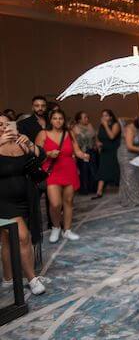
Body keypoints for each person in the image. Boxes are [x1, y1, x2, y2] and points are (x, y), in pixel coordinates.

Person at [0, 114, 46, 295]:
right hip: (3, 202)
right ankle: (32, 279)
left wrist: (30, 144)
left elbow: (40, 157)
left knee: (6, 240)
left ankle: (8, 278)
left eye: (6, 124)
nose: (4, 127)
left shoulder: (19, 143)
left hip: (25, 199)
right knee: (23, 236)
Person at [35, 110, 90, 243]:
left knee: (68, 202)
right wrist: (48, 154)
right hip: (52, 171)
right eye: (55, 118)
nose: (58, 121)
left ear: (63, 120)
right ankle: (56, 227)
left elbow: (76, 150)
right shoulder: (43, 133)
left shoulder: (69, 133)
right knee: (55, 203)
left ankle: (67, 230)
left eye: (60, 118)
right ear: (50, 120)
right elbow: (35, 152)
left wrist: (83, 155)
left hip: (69, 169)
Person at [93, 109, 121, 199]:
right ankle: (99, 192)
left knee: (117, 170)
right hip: (104, 151)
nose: (104, 117)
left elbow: (112, 136)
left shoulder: (115, 125)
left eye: (106, 115)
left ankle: (123, 188)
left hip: (114, 150)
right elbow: (97, 136)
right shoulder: (101, 126)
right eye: (103, 115)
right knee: (102, 170)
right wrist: (97, 143)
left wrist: (105, 125)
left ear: (111, 117)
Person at [117, 118, 139, 207]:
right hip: (125, 155)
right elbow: (129, 146)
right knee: (128, 177)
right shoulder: (130, 128)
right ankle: (131, 200)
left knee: (135, 177)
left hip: (136, 154)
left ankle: (128, 198)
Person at [72, 111, 98, 195]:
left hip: (92, 151)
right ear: (79, 120)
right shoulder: (75, 128)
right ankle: (84, 189)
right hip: (82, 151)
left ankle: (93, 188)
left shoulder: (90, 126)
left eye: (87, 117)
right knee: (84, 171)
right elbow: (74, 141)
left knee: (93, 170)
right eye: (85, 117)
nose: (87, 119)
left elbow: (94, 137)